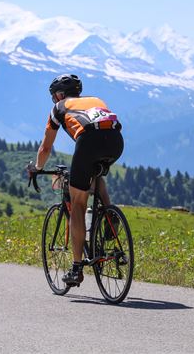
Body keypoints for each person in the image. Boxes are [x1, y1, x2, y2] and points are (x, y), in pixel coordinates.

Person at [27, 74, 124, 286]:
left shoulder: (58, 108)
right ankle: (109, 214)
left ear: (60, 94)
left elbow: (45, 148)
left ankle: (76, 267)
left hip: (90, 141)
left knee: (78, 203)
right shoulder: (95, 100)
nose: (54, 100)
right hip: (116, 141)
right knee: (95, 176)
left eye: (54, 96)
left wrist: (37, 168)